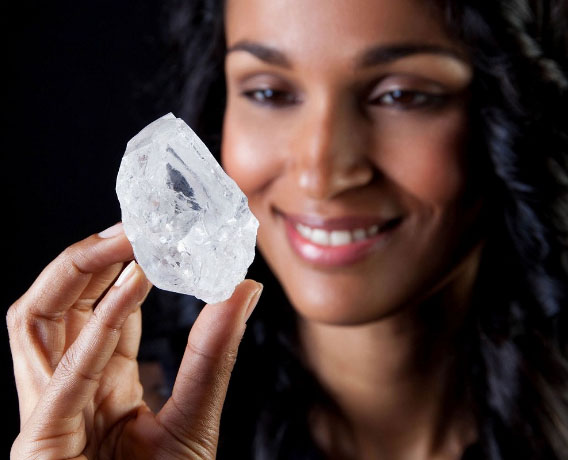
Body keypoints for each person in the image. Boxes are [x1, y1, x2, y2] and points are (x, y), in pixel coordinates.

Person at [7, 0, 568, 458]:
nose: (321, 175)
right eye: (269, 93)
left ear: (511, 112)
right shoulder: (124, 435)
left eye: (400, 95)